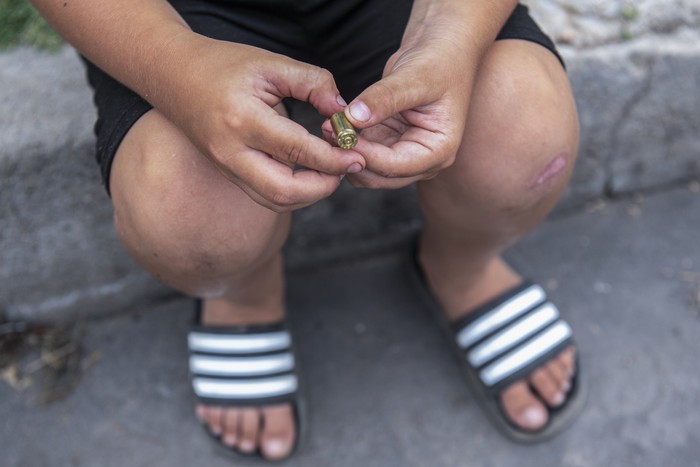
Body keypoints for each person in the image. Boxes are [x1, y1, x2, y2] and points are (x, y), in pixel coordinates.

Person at [32, 0, 583, 461]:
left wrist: (454, 34)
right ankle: (243, 299)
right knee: (186, 213)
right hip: (168, 14)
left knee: (524, 133)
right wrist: (178, 69)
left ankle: (464, 269)